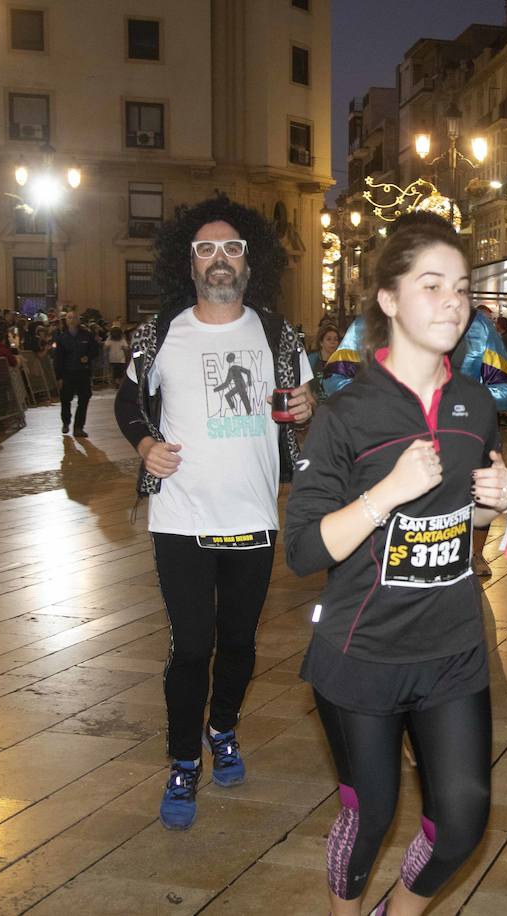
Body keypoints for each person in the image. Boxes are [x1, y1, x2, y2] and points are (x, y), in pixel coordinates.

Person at [285, 211, 507, 916]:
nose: (453, 301)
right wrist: (386, 494)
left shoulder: (475, 404)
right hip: (362, 650)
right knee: (372, 815)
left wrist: (495, 504)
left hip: (451, 645)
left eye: (463, 287)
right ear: (388, 299)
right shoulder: (344, 415)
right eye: (432, 285)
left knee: (465, 817)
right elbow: (302, 550)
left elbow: (462, 520)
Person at [114, 194, 314, 831]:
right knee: (190, 646)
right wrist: (146, 446)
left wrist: (307, 412)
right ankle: (182, 761)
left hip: (254, 517)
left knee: (239, 644)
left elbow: (300, 406)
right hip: (180, 520)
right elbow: (127, 403)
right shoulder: (159, 333)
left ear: (251, 263)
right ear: (188, 262)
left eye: (232, 248)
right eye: (206, 248)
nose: (219, 259)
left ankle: (222, 728)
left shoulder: (281, 336)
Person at [321, 295, 507, 580]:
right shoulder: (369, 323)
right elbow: (334, 377)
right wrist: (376, 405)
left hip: (461, 446)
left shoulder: (478, 326)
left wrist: (460, 403)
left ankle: (472, 555)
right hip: (384, 445)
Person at [53, 309, 100, 437]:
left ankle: (79, 427)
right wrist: (59, 377)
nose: (72, 320)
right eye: (69, 318)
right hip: (67, 374)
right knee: (65, 400)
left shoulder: (87, 335)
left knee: (84, 399)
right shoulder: (61, 337)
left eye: (74, 318)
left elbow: (96, 349)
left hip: (83, 373)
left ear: (78, 320)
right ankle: (66, 422)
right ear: (66, 321)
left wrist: (88, 357)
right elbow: (58, 359)